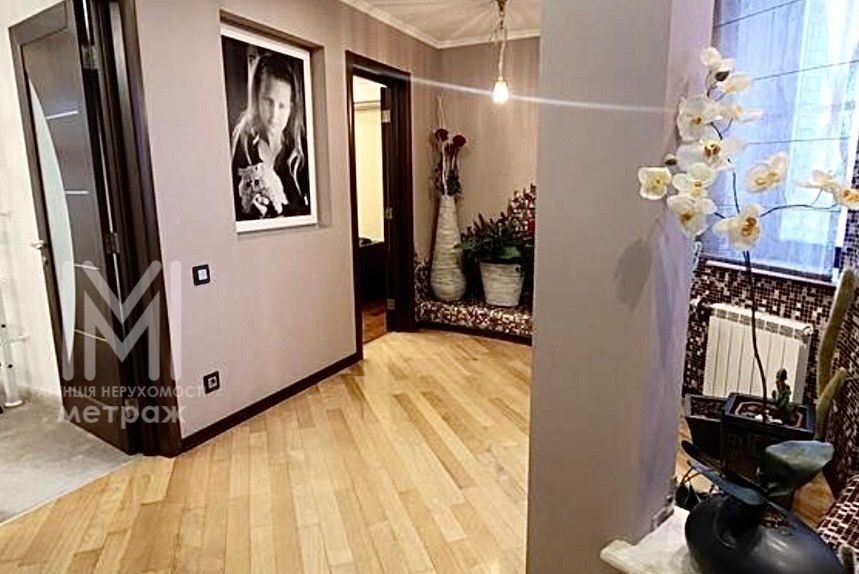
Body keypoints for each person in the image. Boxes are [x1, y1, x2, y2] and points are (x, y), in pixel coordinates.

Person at [231, 52, 309, 220]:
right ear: (256, 98)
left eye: (282, 106)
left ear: (291, 107)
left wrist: (281, 205)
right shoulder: (242, 142)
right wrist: (247, 209)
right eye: (268, 101)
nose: (274, 115)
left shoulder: (302, 148)